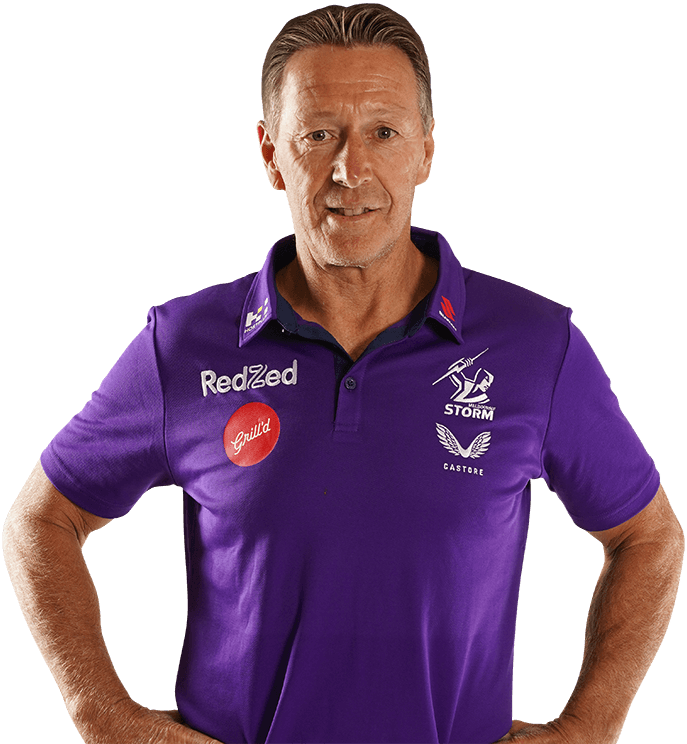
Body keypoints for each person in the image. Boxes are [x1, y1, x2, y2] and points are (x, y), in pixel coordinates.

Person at [3, 4, 684, 744]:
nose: (349, 170)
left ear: (426, 150)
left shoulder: (535, 345)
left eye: (382, 133)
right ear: (271, 154)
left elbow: (648, 537)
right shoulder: (184, 344)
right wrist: (102, 715)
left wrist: (588, 730)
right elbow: (41, 522)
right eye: (318, 134)